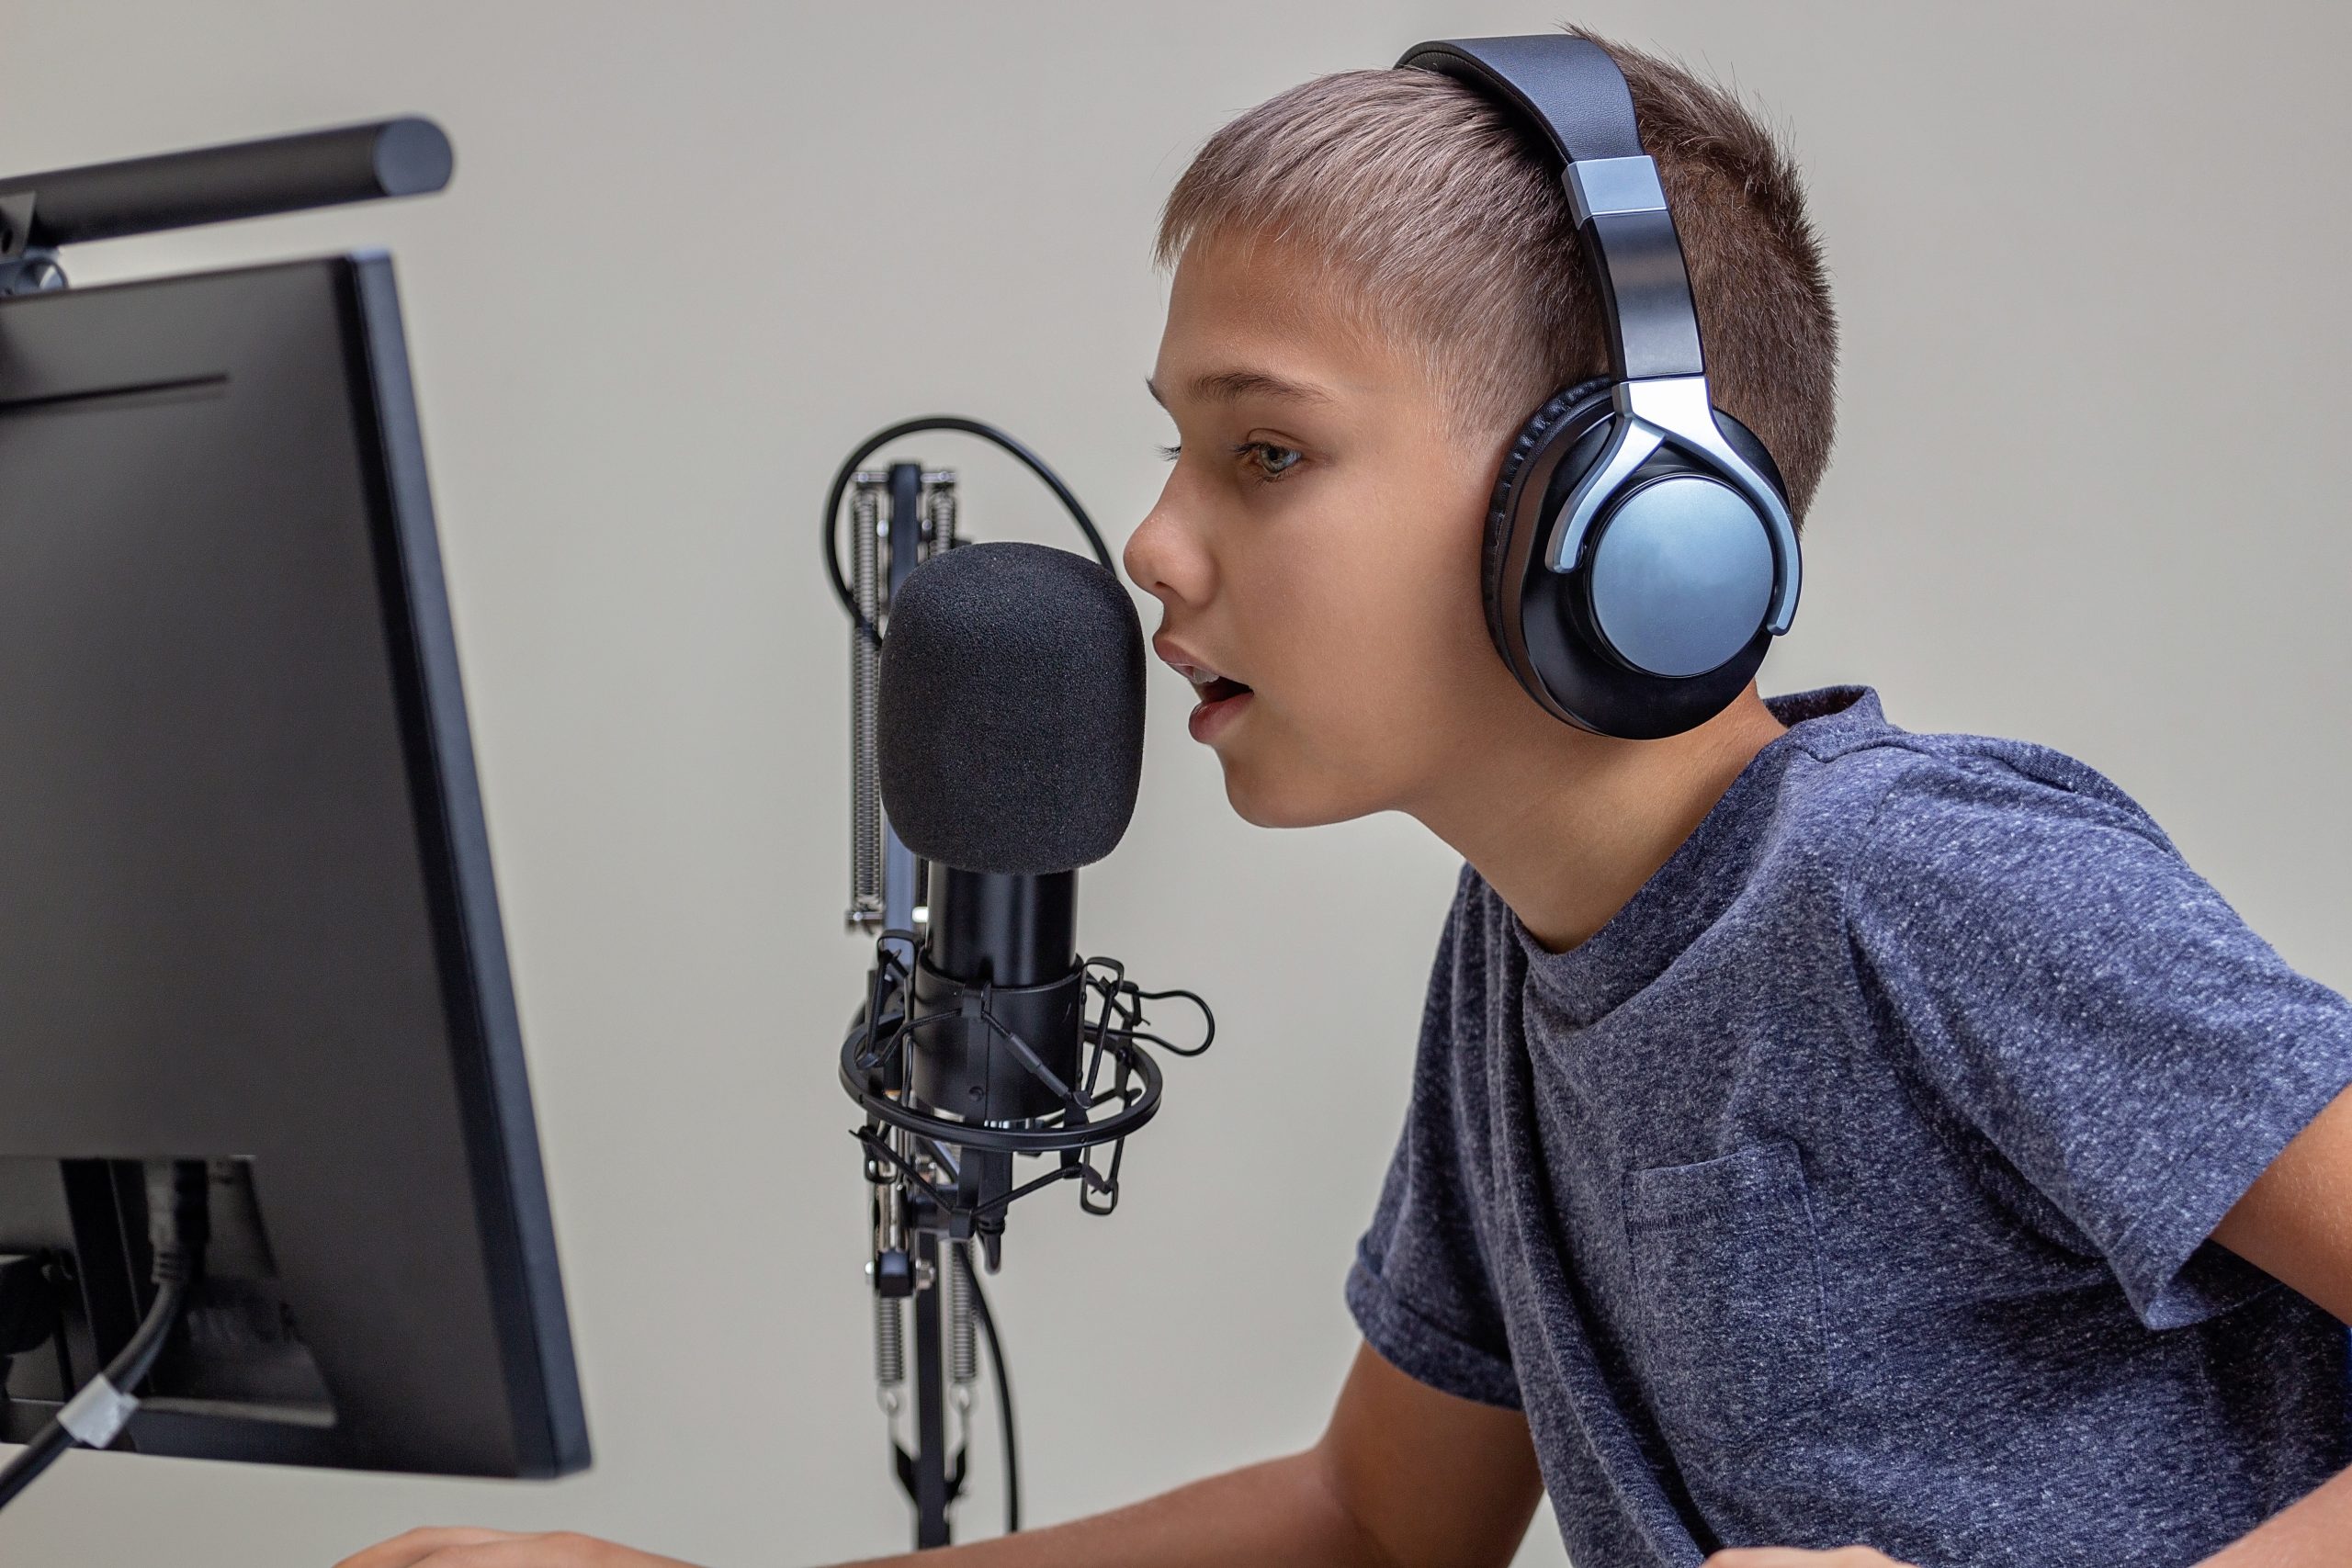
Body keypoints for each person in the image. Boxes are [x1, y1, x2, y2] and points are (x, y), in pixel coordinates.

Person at [337, 26, 2352, 1568]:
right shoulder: (1518, 961)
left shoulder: (1920, 886)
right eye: (1173, 453)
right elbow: (1377, 1523)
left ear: (1627, 528)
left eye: (1263, 455)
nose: (1149, 541)